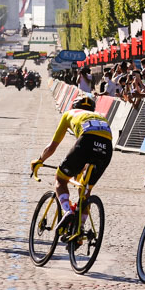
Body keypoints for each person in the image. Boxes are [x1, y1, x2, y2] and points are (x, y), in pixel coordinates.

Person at [30, 94, 113, 224]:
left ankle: (67, 211)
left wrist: (40, 160)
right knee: (85, 190)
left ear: (74, 106)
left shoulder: (69, 114)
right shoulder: (100, 117)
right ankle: (80, 229)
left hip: (86, 141)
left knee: (61, 179)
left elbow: (52, 147)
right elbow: (96, 146)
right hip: (107, 148)